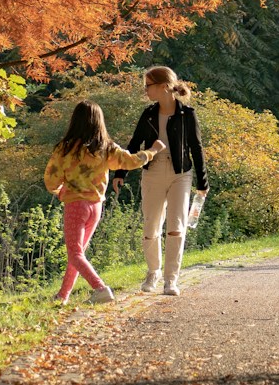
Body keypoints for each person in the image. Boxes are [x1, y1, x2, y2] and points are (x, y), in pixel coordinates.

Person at [45, 100, 160, 304]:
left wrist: (59, 190)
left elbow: (51, 180)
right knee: (78, 253)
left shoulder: (65, 149)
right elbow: (132, 161)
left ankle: (100, 288)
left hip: (75, 207)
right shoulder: (106, 148)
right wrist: (153, 151)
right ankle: (62, 295)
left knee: (75, 252)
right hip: (96, 207)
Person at [122, 66, 209, 296]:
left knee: (176, 227)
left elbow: (196, 148)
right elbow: (134, 143)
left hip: (181, 173)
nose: (145, 91)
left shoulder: (187, 114)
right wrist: (121, 172)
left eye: (148, 86)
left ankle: (171, 280)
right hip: (152, 171)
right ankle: (154, 272)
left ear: (163, 87)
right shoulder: (148, 114)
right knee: (151, 226)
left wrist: (203, 182)